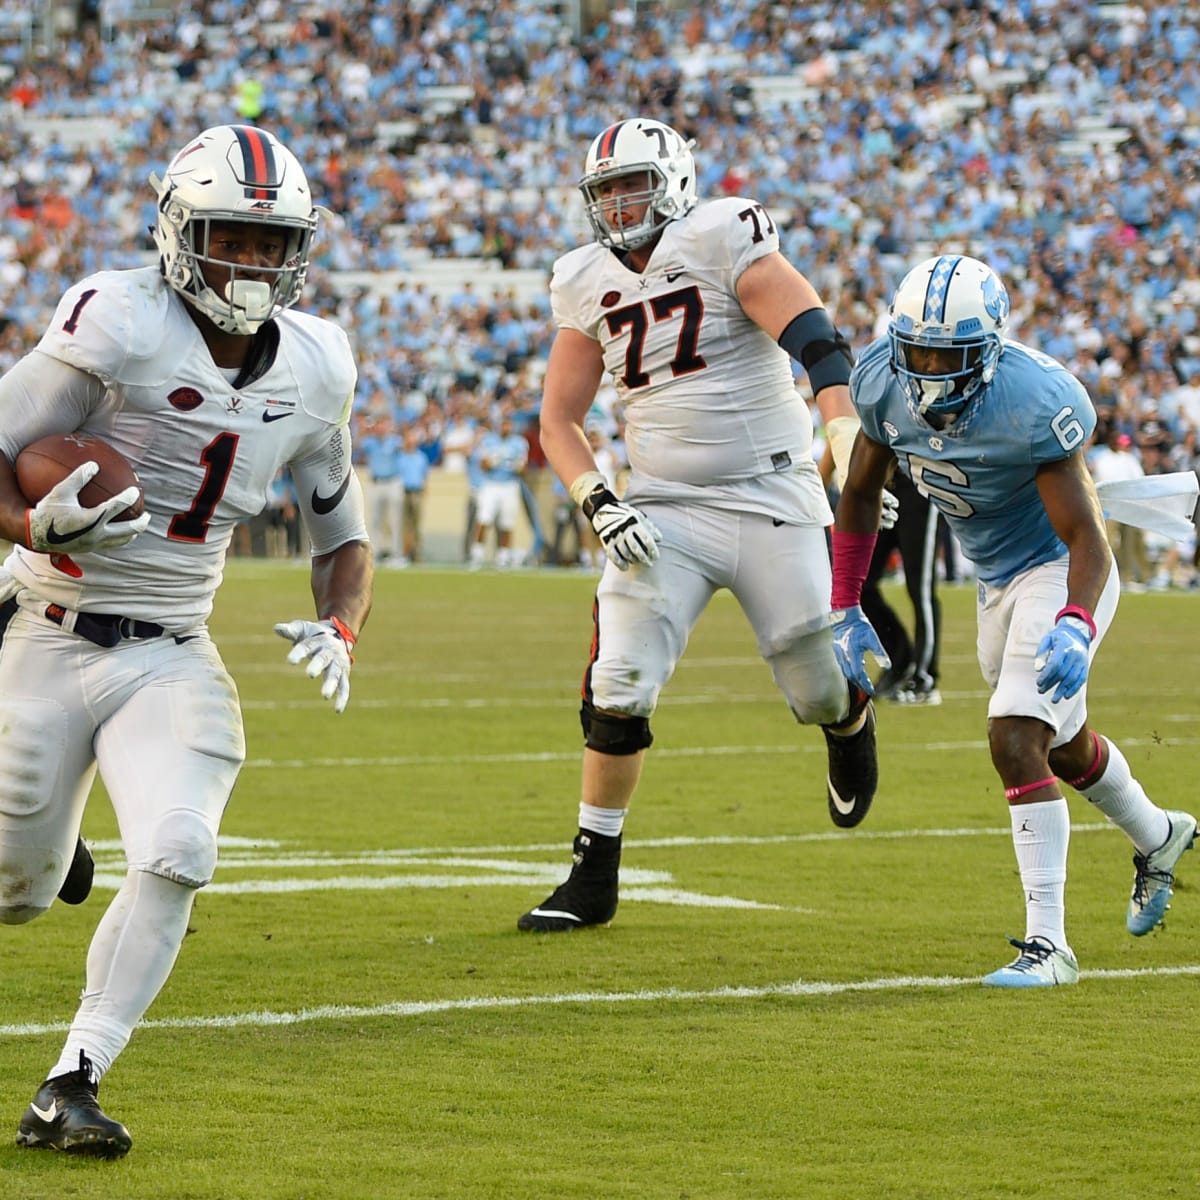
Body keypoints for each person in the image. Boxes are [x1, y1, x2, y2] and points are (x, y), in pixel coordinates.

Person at [0, 123, 373, 1156]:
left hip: (170, 644)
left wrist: (342, 622)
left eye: (270, 244)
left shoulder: (317, 366)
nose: (251, 264)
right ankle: (57, 852)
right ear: (177, 231)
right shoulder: (116, 320)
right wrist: (31, 526)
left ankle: (71, 1079)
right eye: (231, 239)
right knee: (16, 896)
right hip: (46, 622)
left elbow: (344, 536)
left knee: (179, 847)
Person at [517, 117, 879, 933]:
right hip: (664, 504)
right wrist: (598, 501)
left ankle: (849, 717)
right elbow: (559, 420)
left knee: (812, 681)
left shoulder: (722, 235)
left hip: (771, 493)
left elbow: (819, 344)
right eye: (605, 191)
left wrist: (845, 435)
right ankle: (592, 873)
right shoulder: (581, 277)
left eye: (632, 184)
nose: (618, 204)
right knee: (619, 677)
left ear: (674, 182)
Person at [831, 253, 1195, 988]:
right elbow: (862, 490)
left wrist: (1075, 624)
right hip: (993, 579)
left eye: (948, 355)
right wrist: (845, 602)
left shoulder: (1035, 399)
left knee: (1014, 736)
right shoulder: (878, 382)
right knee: (1059, 749)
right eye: (918, 351)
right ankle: (1161, 835)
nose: (929, 371)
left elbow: (1086, 535)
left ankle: (1049, 945)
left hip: (1056, 568)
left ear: (988, 351)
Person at [860, 468, 942, 704]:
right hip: (882, 487)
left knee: (921, 589)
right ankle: (899, 660)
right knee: (860, 584)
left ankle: (924, 678)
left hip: (920, 487)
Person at [469, 408, 529, 569]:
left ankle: (503, 555)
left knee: (507, 522)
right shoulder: (488, 440)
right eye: (503, 424)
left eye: (508, 425)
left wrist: (517, 466)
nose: (505, 428)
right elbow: (483, 465)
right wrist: (492, 462)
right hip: (491, 483)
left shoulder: (519, 443)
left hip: (510, 484)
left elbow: (524, 469)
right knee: (484, 519)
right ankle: (477, 554)